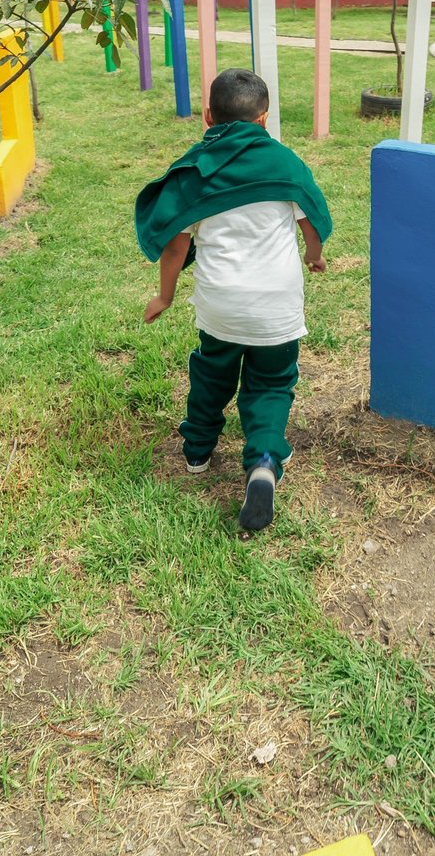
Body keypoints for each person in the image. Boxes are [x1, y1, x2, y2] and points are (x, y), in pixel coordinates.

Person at [136, 69, 331, 532]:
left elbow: (177, 246)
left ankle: (198, 452)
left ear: (208, 116)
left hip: (221, 304)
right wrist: (314, 257)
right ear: (264, 119)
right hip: (277, 306)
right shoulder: (284, 164)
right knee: (271, 383)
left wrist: (165, 295)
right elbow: (311, 224)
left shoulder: (197, 171)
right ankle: (263, 462)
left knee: (212, 371)